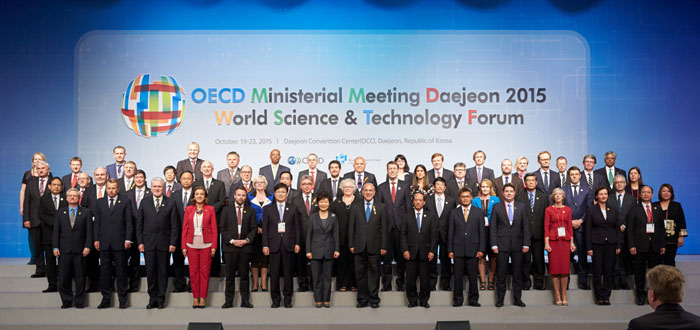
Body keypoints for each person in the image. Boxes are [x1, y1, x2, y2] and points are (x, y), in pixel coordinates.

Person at [135, 177, 177, 309]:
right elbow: (139, 224)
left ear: (163, 188)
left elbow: (174, 225)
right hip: (148, 243)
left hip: (165, 243)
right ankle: (152, 298)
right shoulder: (144, 202)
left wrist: (173, 243)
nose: (157, 189)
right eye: (155, 187)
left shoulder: (170, 202)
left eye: (159, 187)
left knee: (163, 272)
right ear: (151, 188)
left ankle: (160, 299)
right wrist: (140, 242)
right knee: (150, 271)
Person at [94, 179, 133, 309]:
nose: (111, 190)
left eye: (113, 188)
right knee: (104, 272)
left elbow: (129, 222)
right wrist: (96, 239)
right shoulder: (99, 202)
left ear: (117, 189)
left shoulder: (125, 201)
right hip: (104, 242)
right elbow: (97, 223)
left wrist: (128, 239)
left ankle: (123, 299)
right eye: (109, 188)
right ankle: (106, 299)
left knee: (121, 271)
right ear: (106, 189)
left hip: (120, 242)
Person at [348, 183, 388, 308]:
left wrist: (383, 246)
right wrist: (351, 244)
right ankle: (362, 300)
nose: (368, 192)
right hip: (359, 246)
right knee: (360, 274)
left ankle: (374, 299)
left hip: (375, 247)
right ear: (362, 192)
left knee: (374, 274)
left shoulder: (381, 207)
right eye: (366, 190)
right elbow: (351, 228)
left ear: (375, 192)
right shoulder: (355, 207)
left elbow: (384, 229)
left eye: (371, 190)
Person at [490, 183, 530, 307]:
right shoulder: (497, 207)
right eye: (506, 191)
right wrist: (494, 245)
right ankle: (500, 299)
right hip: (501, 245)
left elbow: (526, 227)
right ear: (502, 193)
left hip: (518, 245)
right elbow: (493, 227)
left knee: (517, 274)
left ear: (514, 193)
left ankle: (517, 299)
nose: (508, 193)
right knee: (501, 274)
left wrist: (526, 244)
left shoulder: (522, 207)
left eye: (511, 191)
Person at [262, 183, 301, 308]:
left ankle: (288, 299)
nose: (280, 194)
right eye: (278, 192)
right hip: (273, 245)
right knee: (274, 274)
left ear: (287, 194)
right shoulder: (268, 209)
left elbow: (297, 228)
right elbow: (265, 228)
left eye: (283, 192)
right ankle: (275, 299)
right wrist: (265, 245)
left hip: (289, 245)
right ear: (275, 193)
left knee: (288, 273)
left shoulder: (293, 208)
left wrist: (297, 243)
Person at [52, 188, 93, 309]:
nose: (73, 197)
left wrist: (87, 246)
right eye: (70, 196)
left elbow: (89, 232)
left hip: (80, 250)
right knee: (64, 277)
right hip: (64, 250)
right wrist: (55, 247)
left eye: (75, 196)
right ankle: (66, 301)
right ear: (67, 197)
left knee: (80, 277)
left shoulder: (86, 212)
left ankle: (80, 301)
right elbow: (56, 232)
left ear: (79, 197)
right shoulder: (60, 212)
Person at [628, 265, 700, 330]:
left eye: (648, 288)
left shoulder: (639, 325)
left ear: (652, 294)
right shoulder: (697, 324)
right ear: (681, 292)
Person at [628, 185, 666, 305]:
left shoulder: (657, 208)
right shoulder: (635, 209)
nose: (646, 194)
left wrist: (662, 245)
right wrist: (631, 245)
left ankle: (654, 294)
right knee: (639, 272)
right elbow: (630, 229)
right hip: (639, 246)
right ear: (640, 194)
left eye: (648, 192)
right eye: (643, 192)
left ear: (652, 195)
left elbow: (661, 229)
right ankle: (640, 295)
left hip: (654, 245)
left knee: (655, 273)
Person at [448, 187, 485, 307]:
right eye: (463, 196)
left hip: (473, 250)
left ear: (471, 198)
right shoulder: (454, 212)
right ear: (459, 198)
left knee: (473, 277)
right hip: (458, 249)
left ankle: (473, 299)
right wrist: (450, 250)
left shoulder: (478, 212)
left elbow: (481, 232)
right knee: (457, 277)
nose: (465, 198)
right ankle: (458, 300)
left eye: (467, 196)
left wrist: (481, 249)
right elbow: (451, 232)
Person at [220, 186, 257, 308]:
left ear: (246, 197)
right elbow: (223, 228)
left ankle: (245, 301)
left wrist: (246, 241)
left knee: (245, 276)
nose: (241, 197)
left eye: (243, 195)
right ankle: (228, 301)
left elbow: (253, 229)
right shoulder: (226, 210)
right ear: (234, 196)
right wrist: (232, 241)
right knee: (229, 276)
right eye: (238, 195)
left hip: (245, 247)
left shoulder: (250, 210)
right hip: (230, 247)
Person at [377, 161, 411, 291]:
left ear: (398, 171)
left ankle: (400, 283)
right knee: (386, 259)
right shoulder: (381, 187)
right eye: (390, 168)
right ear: (387, 171)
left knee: (401, 258)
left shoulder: (405, 186)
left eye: (394, 169)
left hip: (401, 227)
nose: (392, 171)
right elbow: (379, 209)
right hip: (386, 228)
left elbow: (408, 207)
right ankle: (386, 284)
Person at [401, 191, 438, 308]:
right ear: (413, 202)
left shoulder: (431, 216)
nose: (417, 202)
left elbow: (434, 236)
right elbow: (403, 235)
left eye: (420, 200)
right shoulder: (407, 215)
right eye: (416, 200)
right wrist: (405, 250)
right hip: (410, 253)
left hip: (426, 253)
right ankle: (412, 301)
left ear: (424, 202)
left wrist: (432, 251)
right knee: (410, 280)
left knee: (425, 280)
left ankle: (424, 301)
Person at [181, 186, 217, 308]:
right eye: (197, 194)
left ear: (205, 196)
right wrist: (183, 246)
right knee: (193, 272)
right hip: (191, 245)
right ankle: (195, 297)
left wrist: (214, 246)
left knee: (204, 272)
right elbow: (184, 229)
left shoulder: (210, 209)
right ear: (194, 196)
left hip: (206, 245)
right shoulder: (188, 209)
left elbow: (214, 229)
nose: (200, 196)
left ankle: (203, 298)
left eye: (202, 194)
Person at [585, 186, 621, 305]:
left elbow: (617, 228)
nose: (603, 196)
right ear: (597, 196)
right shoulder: (591, 209)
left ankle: (607, 296)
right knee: (597, 271)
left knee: (608, 271)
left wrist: (618, 245)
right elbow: (588, 230)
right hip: (596, 244)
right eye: (601, 194)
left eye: (605, 194)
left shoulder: (614, 209)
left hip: (611, 243)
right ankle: (600, 296)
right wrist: (589, 247)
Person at [306, 192, 340, 308]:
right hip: (315, 251)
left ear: (329, 203)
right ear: (317, 203)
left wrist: (337, 249)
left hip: (329, 250)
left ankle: (326, 300)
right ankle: (318, 300)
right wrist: (308, 250)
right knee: (316, 278)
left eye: (326, 201)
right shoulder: (313, 217)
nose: (323, 204)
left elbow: (336, 234)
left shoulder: (333, 217)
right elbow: (309, 235)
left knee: (327, 277)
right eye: (321, 201)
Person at [563, 166, 594, 290]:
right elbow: (562, 207)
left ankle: (583, 281)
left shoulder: (587, 190)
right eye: (572, 174)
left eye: (576, 174)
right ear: (569, 176)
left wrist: (581, 220)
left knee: (582, 254)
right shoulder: (563, 190)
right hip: (566, 226)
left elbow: (589, 208)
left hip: (582, 226)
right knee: (566, 254)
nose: (574, 176)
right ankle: (567, 281)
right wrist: (570, 221)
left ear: (580, 175)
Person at [194, 160, 227, 277]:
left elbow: (222, 200)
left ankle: (215, 271)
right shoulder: (196, 183)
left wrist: (208, 210)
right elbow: (194, 200)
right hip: (198, 221)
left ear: (213, 169)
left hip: (215, 219)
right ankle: (202, 271)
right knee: (200, 246)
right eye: (205, 167)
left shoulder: (219, 184)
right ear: (201, 169)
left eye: (209, 167)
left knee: (214, 246)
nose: (207, 169)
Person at [516, 173, 548, 291]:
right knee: (526, 260)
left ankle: (539, 282)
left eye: (532, 180)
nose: (530, 182)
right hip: (524, 234)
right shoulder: (519, 197)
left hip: (539, 233)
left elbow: (546, 216)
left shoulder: (544, 196)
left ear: (536, 182)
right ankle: (526, 282)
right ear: (525, 183)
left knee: (539, 259)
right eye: (528, 181)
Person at [544, 188, 575, 306]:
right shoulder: (548, 210)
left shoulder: (568, 210)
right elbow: (546, 227)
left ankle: (564, 295)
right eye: (555, 194)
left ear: (563, 197)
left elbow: (569, 227)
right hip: (553, 241)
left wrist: (572, 243)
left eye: (560, 194)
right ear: (553, 197)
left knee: (564, 270)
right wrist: (546, 243)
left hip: (565, 241)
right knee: (555, 270)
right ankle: (557, 295)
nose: (557, 196)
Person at [23, 160, 52, 278]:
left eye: (43, 168)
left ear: (48, 170)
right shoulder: (31, 183)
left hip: (49, 221)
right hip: (34, 220)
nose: (40, 170)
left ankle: (51, 271)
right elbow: (26, 203)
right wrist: (26, 219)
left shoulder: (54, 182)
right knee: (37, 246)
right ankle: (40, 270)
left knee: (49, 248)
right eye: (38, 168)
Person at [425, 177, 455, 291]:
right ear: (433, 187)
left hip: (446, 234)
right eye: (437, 184)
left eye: (442, 185)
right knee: (431, 260)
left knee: (446, 260)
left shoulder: (451, 201)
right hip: (430, 234)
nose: (440, 186)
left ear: (445, 187)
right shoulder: (427, 200)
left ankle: (445, 284)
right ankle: (431, 284)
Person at [331, 178, 360, 292]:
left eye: (350, 187)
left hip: (356, 237)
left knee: (354, 262)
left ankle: (354, 284)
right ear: (342, 189)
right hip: (340, 237)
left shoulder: (359, 201)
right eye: (345, 187)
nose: (347, 188)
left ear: (354, 188)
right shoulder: (336, 202)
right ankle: (342, 283)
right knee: (342, 262)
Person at [20, 152, 49, 266]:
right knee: (32, 236)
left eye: (39, 159)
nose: (37, 161)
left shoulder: (48, 175)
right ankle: (34, 258)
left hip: (46, 214)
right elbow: (23, 191)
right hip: (32, 210)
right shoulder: (27, 174)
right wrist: (22, 206)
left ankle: (45, 261)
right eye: (35, 159)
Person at [38, 177, 66, 292]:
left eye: (59, 185)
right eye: (54, 184)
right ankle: (52, 285)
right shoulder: (44, 199)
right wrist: (54, 223)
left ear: (62, 187)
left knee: (63, 262)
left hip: (63, 235)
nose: (56, 187)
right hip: (49, 234)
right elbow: (41, 214)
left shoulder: (66, 198)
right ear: (49, 186)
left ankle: (64, 285)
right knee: (50, 261)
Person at [472, 179, 500, 291]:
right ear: (480, 188)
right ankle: (483, 281)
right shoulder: (475, 200)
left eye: (487, 187)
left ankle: (491, 281)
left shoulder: (496, 200)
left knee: (493, 257)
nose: (485, 189)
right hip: (479, 231)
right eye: (483, 186)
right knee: (481, 256)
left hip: (492, 231)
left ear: (490, 188)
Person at [290, 175, 316, 292]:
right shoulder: (295, 200)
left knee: (315, 262)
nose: (306, 186)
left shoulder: (318, 198)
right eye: (304, 184)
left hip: (316, 236)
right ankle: (303, 285)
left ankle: (315, 284)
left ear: (312, 185)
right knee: (301, 262)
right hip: (300, 236)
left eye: (308, 184)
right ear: (300, 186)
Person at [169, 171, 194, 292]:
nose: (186, 181)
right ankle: (179, 285)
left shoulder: (197, 194)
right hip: (177, 232)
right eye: (184, 178)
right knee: (178, 260)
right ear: (180, 180)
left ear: (192, 180)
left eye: (189, 178)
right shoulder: (174, 195)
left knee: (193, 261)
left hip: (194, 233)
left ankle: (192, 285)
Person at [84, 166, 108, 292]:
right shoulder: (88, 190)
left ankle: (106, 286)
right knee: (92, 260)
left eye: (102, 175)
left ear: (107, 176)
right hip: (93, 229)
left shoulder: (111, 189)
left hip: (108, 230)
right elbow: (84, 208)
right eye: (97, 175)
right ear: (94, 176)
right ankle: (93, 285)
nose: (99, 177)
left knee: (107, 260)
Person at [248, 174, 272, 292]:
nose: (260, 184)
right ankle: (254, 284)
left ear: (265, 184)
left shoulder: (271, 197)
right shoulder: (249, 196)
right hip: (253, 231)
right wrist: (256, 227)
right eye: (257, 182)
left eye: (262, 182)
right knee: (254, 257)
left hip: (269, 231)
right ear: (254, 184)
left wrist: (265, 228)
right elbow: (247, 214)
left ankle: (263, 284)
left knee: (264, 258)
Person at [126, 169, 149, 292]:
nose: (139, 179)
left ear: (145, 179)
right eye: (137, 177)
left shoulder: (151, 193)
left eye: (141, 177)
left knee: (150, 260)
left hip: (148, 232)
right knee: (133, 259)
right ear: (134, 179)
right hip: (132, 231)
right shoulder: (127, 194)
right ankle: (133, 285)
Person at [655, 183, 687, 267]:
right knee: (657, 263)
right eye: (664, 191)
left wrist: (681, 236)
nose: (666, 193)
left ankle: (671, 280)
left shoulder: (677, 205)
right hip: (657, 239)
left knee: (670, 262)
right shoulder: (654, 205)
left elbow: (682, 222)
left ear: (671, 193)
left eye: (668, 191)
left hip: (671, 239)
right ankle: (659, 280)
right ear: (660, 193)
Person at [612, 174, 635, 290]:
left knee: (625, 259)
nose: (619, 184)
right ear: (614, 184)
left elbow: (633, 216)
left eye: (621, 182)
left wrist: (625, 225)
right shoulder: (609, 198)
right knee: (614, 259)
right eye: (617, 182)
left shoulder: (632, 199)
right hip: (613, 233)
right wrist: (617, 226)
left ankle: (624, 281)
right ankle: (615, 283)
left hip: (627, 234)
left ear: (625, 184)